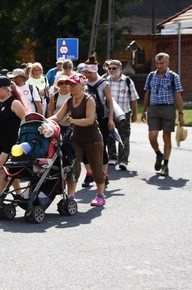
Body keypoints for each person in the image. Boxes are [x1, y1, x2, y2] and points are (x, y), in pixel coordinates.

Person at [48, 73, 106, 206]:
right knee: (72, 167)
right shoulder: (70, 100)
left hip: (93, 139)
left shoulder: (88, 99)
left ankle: (100, 196)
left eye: (73, 84)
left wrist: (74, 121)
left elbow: (90, 120)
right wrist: (43, 120)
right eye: (69, 84)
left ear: (82, 85)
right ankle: (71, 197)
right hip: (76, 139)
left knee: (96, 168)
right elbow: (57, 116)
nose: (70, 87)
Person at [0, 76, 27, 210]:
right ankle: (19, 194)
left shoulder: (14, 103)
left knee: (1, 169)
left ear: (6, 89)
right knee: (10, 170)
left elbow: (26, 120)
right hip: (0, 140)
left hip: (12, 142)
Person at [141, 52, 185, 176]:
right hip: (154, 108)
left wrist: (181, 113)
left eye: (162, 63)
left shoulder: (173, 76)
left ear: (167, 63)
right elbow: (147, 94)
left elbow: (178, 94)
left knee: (166, 137)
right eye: (157, 63)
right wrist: (144, 110)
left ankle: (165, 164)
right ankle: (158, 154)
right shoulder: (151, 76)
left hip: (168, 108)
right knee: (152, 135)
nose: (159, 65)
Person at [81, 55, 115, 188]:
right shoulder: (83, 83)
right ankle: (89, 173)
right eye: (85, 72)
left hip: (102, 119)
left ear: (95, 71)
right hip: (86, 119)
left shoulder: (104, 83)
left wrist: (111, 119)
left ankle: (103, 174)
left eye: (89, 72)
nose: (86, 74)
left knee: (101, 148)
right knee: (84, 148)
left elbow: (110, 102)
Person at [105, 60, 140, 171]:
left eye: (114, 68)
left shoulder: (128, 81)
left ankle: (123, 160)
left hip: (124, 112)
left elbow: (134, 99)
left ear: (120, 69)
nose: (111, 70)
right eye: (109, 68)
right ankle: (112, 157)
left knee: (124, 137)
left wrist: (135, 113)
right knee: (109, 136)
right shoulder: (105, 82)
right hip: (109, 113)